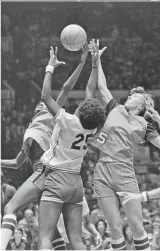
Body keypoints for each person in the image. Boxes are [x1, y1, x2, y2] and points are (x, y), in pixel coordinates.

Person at [1, 43, 89, 251]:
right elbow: (16, 163)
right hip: (59, 177)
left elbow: (65, 88)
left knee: (11, 207)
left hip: (48, 172)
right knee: (51, 232)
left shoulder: (51, 115)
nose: (41, 104)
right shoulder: (32, 130)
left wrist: (78, 63)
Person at [91, 41, 160, 250]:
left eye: (133, 95)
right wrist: (97, 60)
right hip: (102, 170)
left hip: (124, 172)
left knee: (136, 226)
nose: (129, 95)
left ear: (142, 104)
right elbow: (101, 87)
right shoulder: (115, 109)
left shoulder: (144, 125)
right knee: (115, 227)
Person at [39, 45, 105, 250]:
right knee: (77, 240)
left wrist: (49, 68)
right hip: (76, 183)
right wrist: (92, 63)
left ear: (81, 111)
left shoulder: (67, 121)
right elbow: (89, 90)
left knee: (45, 237)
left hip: (57, 176)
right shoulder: (93, 129)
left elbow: (46, 97)